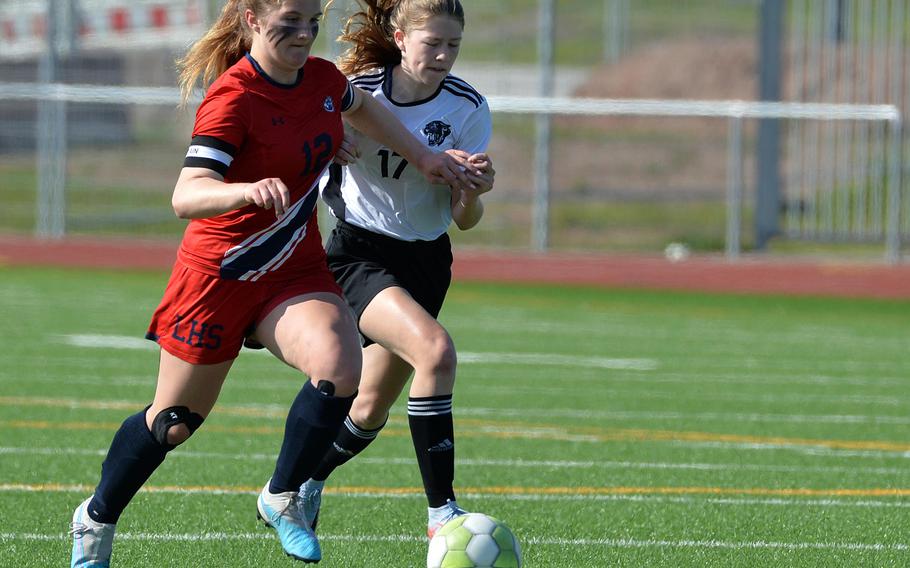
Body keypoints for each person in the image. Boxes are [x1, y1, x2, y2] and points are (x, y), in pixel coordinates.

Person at [68, 0, 478, 566]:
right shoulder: (233, 97)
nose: (305, 33)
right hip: (221, 273)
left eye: (312, 22)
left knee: (340, 367)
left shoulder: (323, 80)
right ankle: (95, 519)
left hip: (293, 266)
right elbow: (186, 194)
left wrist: (426, 158)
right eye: (290, 21)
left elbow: (359, 109)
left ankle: (283, 496)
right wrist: (243, 190)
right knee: (173, 423)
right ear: (253, 21)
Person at [298, 0, 495, 540]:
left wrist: (471, 191)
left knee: (366, 408)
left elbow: (466, 220)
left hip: (428, 262)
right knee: (436, 350)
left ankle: (303, 484)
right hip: (360, 254)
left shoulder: (468, 107)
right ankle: (443, 516)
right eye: (432, 43)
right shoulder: (355, 93)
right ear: (400, 37)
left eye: (453, 45)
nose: (443, 56)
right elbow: (300, 147)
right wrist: (327, 144)